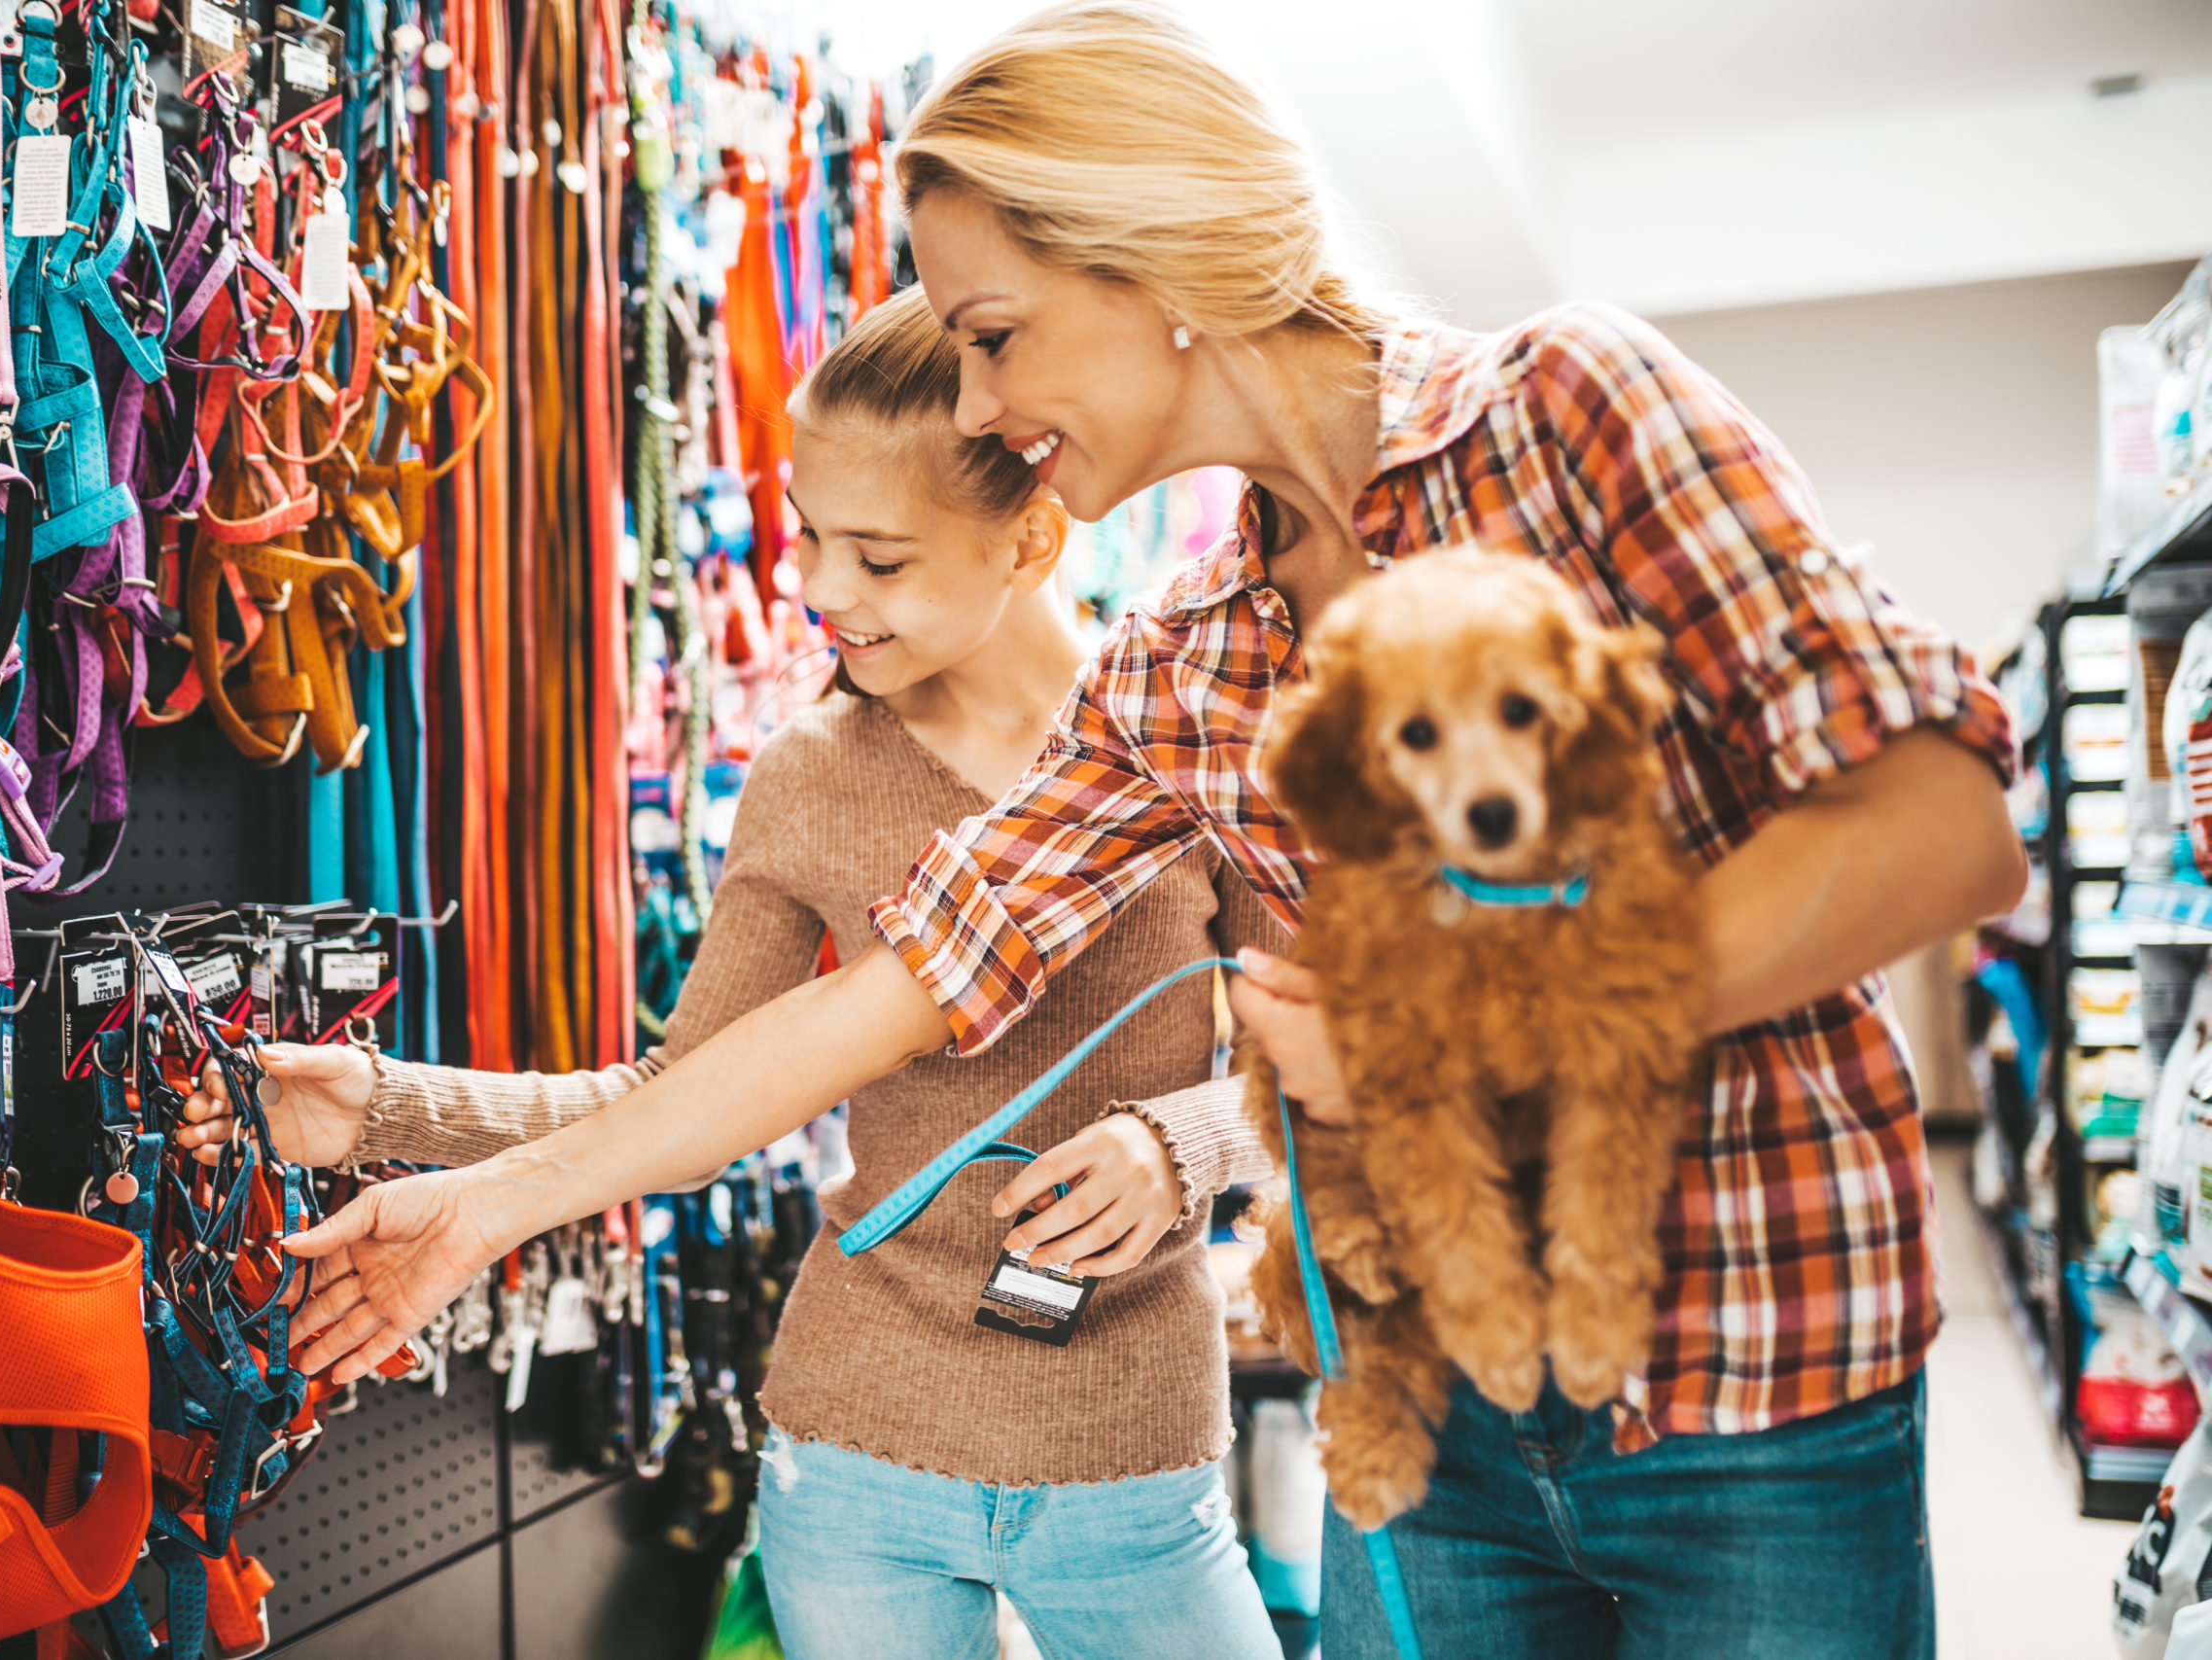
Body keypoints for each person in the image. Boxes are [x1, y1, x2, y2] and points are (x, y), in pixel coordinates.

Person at [193, 5, 2025, 1654]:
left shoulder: (1563, 413)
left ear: (1153, 261)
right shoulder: (1186, 666)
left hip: (1753, 1379)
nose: (979, 407)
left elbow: (1946, 822)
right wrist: (482, 1207)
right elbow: (886, 994)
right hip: (1426, 1414)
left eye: (994, 335)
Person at [189, 288, 1288, 1660]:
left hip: (1135, 1464)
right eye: (810, 536)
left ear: (1034, 537)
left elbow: (1339, 1056)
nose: (822, 592)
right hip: (858, 1460)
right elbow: (687, 1098)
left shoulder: (1192, 738)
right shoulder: (812, 775)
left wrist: (1181, 1141)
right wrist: (377, 1108)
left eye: (878, 559)